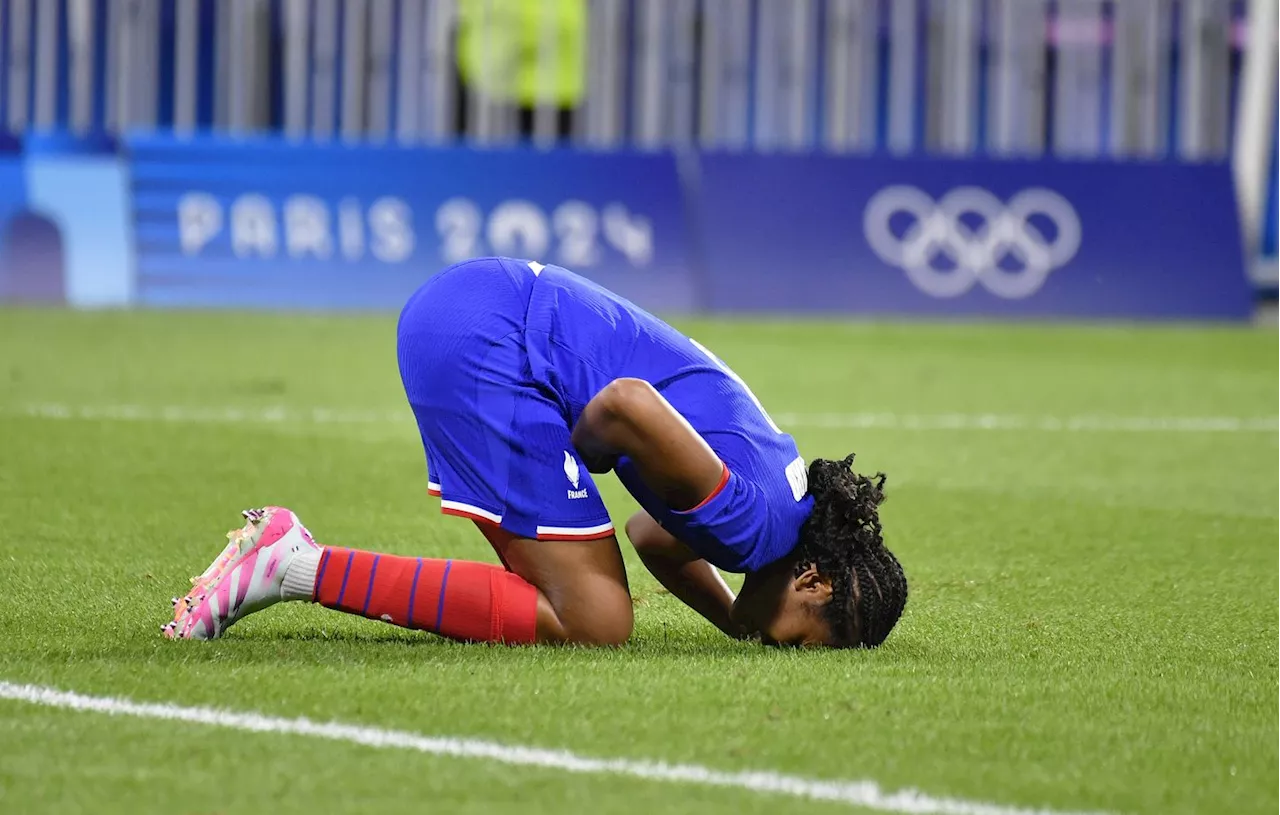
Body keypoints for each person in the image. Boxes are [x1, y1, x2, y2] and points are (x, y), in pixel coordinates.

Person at [165, 258, 907, 648]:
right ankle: (290, 563)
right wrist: (580, 454)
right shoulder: (756, 529)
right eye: (809, 644)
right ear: (815, 584)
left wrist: (735, 622)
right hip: (491, 339)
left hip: (484, 303)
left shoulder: (783, 506)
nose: (791, 653)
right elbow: (625, 406)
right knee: (595, 619)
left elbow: (654, 536)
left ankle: (290, 561)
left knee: (594, 608)